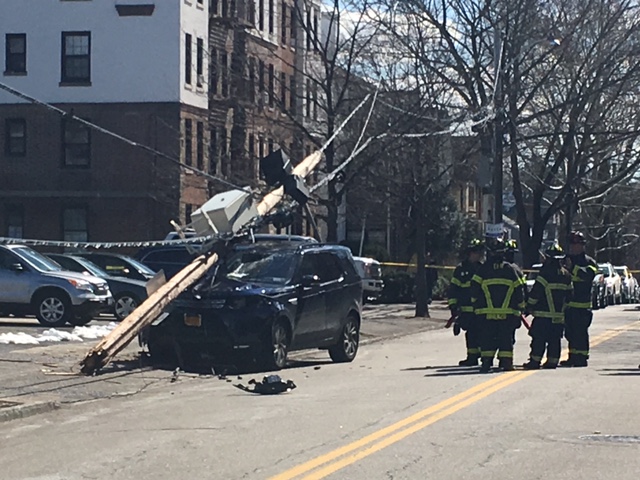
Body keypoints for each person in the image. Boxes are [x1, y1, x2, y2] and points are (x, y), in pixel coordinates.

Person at [471, 237, 526, 373]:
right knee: (506, 339)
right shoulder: (511, 270)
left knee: (487, 339)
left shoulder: (483, 270)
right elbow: (519, 290)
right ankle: (506, 363)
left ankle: (486, 363)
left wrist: (476, 304)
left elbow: (474, 288)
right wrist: (521, 306)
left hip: (486, 314)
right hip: (507, 314)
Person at [522, 243, 573, 370]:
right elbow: (570, 295)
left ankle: (535, 361)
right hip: (558, 317)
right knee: (554, 340)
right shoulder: (566, 275)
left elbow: (536, 293)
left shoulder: (545, 273)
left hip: (542, 316)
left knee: (539, 340)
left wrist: (528, 306)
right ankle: (552, 361)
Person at [562, 231, 597, 367]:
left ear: (582, 246)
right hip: (569, 305)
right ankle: (573, 357)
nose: (573, 247)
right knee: (570, 333)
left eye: (576, 244)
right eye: (572, 244)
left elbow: (587, 276)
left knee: (580, 333)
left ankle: (582, 358)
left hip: (582, 306)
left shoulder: (589, 262)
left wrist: (572, 268)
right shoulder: (565, 260)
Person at [447, 239, 485, 366]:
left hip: (481, 309)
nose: (479, 255)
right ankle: (472, 357)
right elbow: (453, 289)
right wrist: (453, 306)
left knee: (483, 333)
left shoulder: (483, 268)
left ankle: (485, 357)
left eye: (480, 252)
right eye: (476, 252)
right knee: (471, 334)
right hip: (467, 309)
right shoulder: (461, 269)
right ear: (470, 253)